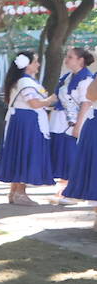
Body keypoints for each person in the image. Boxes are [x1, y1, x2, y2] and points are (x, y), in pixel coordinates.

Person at [0, 52, 56, 205]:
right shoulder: (25, 82)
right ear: (27, 65)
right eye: (35, 62)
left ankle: (15, 192)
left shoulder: (23, 81)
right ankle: (20, 192)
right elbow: (34, 103)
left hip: (22, 120)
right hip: (27, 121)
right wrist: (51, 100)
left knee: (20, 153)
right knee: (25, 153)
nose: (38, 65)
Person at [49, 47, 93, 202]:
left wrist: (78, 125)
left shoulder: (86, 79)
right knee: (63, 156)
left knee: (72, 157)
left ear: (80, 60)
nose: (66, 60)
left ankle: (72, 192)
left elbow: (86, 103)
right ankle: (63, 190)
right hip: (60, 122)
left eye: (70, 57)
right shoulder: (67, 76)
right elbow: (56, 96)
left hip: (74, 123)